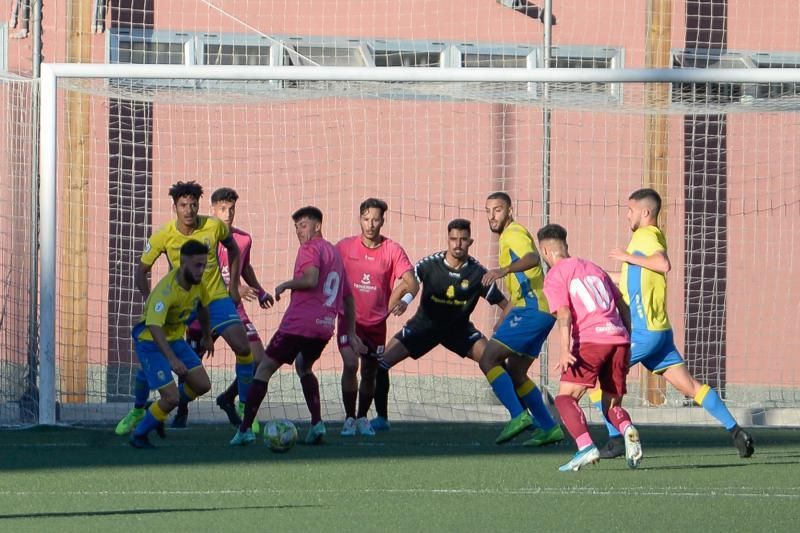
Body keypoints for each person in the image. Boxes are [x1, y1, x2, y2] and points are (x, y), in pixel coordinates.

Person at [595, 188, 754, 459]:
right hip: (660, 334)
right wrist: (593, 274)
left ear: (645, 213)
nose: (627, 215)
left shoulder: (646, 236)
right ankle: (736, 431)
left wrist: (626, 256)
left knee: (601, 378)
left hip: (644, 333)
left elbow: (663, 263)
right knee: (690, 385)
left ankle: (615, 440)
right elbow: (628, 280)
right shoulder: (639, 244)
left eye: (630, 210)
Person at [115, 181, 256, 435]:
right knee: (153, 351)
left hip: (214, 298)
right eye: (183, 205)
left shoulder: (213, 226)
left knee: (244, 348)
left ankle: (245, 406)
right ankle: (138, 410)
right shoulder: (163, 234)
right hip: (181, 302)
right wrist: (148, 298)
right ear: (175, 207)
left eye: (193, 205)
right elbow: (141, 270)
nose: (189, 210)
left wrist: (234, 286)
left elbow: (234, 249)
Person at [230, 206, 363, 446]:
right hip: (323, 328)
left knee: (263, 369)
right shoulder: (334, 254)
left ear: (317, 226)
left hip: (298, 324)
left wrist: (285, 285)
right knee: (304, 367)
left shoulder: (310, 248)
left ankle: (245, 429)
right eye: (296, 227)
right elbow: (349, 298)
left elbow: (310, 279)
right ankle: (316, 424)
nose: (299, 231)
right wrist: (351, 332)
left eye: (303, 225)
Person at [375, 219, 510, 426]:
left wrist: (501, 323)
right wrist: (398, 304)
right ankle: (381, 419)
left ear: (470, 241)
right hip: (424, 327)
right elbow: (408, 286)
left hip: (459, 330)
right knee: (381, 364)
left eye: (463, 240)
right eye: (453, 239)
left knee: (495, 361)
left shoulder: (477, 273)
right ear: (447, 239)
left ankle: (521, 414)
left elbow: (505, 305)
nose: (458, 244)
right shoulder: (429, 265)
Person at [537, 224, 642, 471]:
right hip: (619, 340)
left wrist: (564, 349)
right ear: (565, 245)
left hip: (591, 342)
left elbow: (564, 313)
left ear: (544, 250)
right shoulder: (594, 268)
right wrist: (627, 338)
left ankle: (585, 447)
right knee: (611, 405)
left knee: (565, 398)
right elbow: (623, 306)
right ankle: (628, 429)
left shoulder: (555, 275)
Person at [177, 187, 275, 432]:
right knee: (190, 365)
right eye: (223, 209)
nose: (228, 213)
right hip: (204, 308)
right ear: (212, 210)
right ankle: (181, 409)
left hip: (233, 309)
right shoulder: (199, 236)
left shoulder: (243, 240)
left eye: (231, 209)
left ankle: (232, 398)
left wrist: (259, 290)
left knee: (259, 359)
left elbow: (245, 267)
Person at [479, 192, 563, 446]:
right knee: (516, 370)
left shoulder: (513, 233)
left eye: (498, 210)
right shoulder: (510, 235)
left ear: (510, 210)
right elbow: (522, 285)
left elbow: (533, 258)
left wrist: (502, 270)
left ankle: (518, 416)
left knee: (488, 358)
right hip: (539, 312)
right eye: (488, 211)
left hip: (532, 310)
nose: (492, 216)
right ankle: (549, 428)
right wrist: (505, 315)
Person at [336, 198, 418, 436]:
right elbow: (326, 268)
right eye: (366, 219)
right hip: (349, 320)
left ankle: (362, 417)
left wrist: (405, 301)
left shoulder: (392, 250)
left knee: (370, 372)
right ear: (359, 219)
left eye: (375, 219)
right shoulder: (344, 247)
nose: (370, 224)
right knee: (350, 364)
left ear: (382, 221)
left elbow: (412, 282)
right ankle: (349, 418)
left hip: (376, 324)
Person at [128, 240, 214, 448]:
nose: (201, 270)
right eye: (197, 265)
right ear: (183, 262)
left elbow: (202, 307)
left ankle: (158, 409)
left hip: (174, 339)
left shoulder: (197, 284)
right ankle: (139, 435)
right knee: (173, 397)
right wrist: (172, 360)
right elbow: (155, 326)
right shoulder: (166, 291)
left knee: (203, 385)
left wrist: (207, 335)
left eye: (204, 265)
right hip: (150, 342)